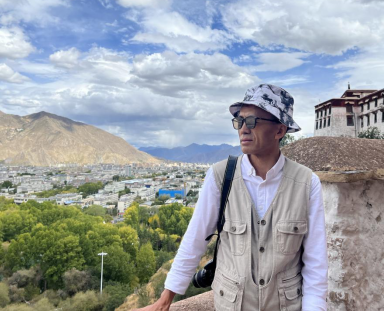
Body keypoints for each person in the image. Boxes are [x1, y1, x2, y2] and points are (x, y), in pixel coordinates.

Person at [140, 84, 328, 311]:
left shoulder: (306, 183)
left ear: (279, 130)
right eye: (240, 121)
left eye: (253, 121)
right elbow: (195, 240)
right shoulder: (220, 177)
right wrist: (164, 301)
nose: (243, 129)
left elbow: (316, 264)